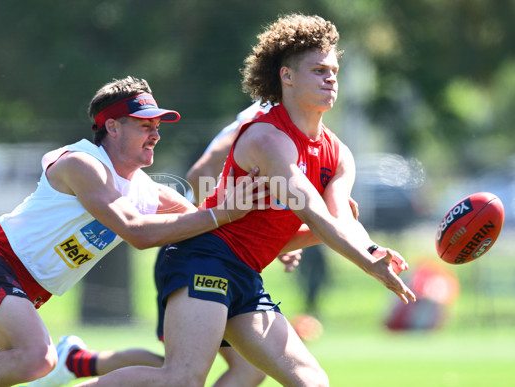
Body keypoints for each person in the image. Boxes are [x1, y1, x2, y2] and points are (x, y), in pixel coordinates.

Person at [74, 13, 416, 387]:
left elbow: (340, 216)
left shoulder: (339, 153)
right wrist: (368, 264)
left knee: (312, 382)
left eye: (333, 70)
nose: (331, 78)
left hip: (246, 274)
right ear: (286, 76)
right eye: (318, 70)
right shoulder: (267, 139)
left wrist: (372, 249)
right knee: (182, 379)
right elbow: (315, 215)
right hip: (204, 258)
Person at [0, 76, 265, 387]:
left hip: (23, 292)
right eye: (145, 125)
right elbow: (138, 233)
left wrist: (280, 239)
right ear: (112, 127)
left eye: (158, 125)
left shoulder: (150, 192)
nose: (156, 134)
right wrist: (224, 213)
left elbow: (210, 230)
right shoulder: (82, 164)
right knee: (38, 358)